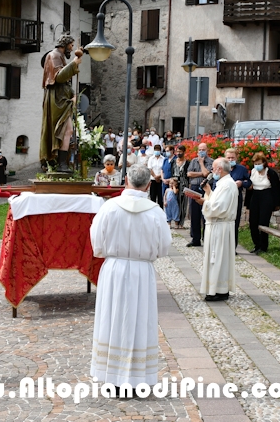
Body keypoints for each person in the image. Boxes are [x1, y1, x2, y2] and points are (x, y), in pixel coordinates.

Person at [90, 164, 171, 391]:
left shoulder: (109, 208)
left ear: (125, 180)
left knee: (112, 317)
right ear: (148, 184)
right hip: (141, 272)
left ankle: (110, 375)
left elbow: (96, 243)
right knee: (138, 319)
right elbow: (164, 247)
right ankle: (137, 378)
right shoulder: (155, 211)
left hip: (114, 269)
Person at [194, 158, 237, 302]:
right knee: (216, 258)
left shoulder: (227, 185)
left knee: (218, 258)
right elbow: (216, 202)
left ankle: (219, 290)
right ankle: (217, 289)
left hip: (221, 226)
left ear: (220, 169)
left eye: (213, 168)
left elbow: (218, 208)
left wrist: (203, 202)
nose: (212, 171)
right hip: (217, 225)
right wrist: (208, 192)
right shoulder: (223, 184)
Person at [40, 33, 82, 171]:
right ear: (65, 44)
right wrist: (74, 63)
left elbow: (65, 83)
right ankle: (60, 163)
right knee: (63, 130)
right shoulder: (54, 55)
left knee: (67, 130)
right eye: (71, 45)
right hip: (56, 99)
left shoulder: (60, 56)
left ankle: (62, 163)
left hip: (62, 98)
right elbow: (59, 77)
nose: (71, 48)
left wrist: (73, 95)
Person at [246, 152, 280, 254]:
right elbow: (249, 187)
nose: (257, 165)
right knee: (253, 222)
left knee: (263, 222)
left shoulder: (270, 173)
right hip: (255, 195)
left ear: (264, 163)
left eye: (259, 163)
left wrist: (277, 204)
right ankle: (256, 244)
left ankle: (263, 246)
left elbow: (277, 189)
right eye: (255, 163)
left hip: (266, 196)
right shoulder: (252, 172)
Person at [186, 143, 214, 247]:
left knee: (205, 214)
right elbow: (189, 174)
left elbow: (207, 174)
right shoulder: (193, 161)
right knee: (194, 214)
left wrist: (202, 164)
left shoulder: (211, 162)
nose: (201, 151)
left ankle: (206, 238)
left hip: (205, 188)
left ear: (207, 150)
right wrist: (201, 173)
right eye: (199, 149)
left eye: (203, 149)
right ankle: (195, 238)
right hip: (194, 188)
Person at [224, 148, 252, 249]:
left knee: (234, 223)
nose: (230, 159)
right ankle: (223, 246)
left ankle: (232, 247)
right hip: (223, 199)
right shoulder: (221, 168)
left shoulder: (242, 169)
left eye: (233, 157)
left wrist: (242, 183)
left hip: (236, 199)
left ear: (237, 158)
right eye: (228, 158)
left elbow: (249, 183)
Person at [172, 146, 190, 229]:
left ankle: (181, 222)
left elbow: (188, 175)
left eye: (180, 151)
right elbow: (171, 172)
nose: (178, 153)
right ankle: (175, 221)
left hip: (184, 183)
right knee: (174, 202)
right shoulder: (173, 162)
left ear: (184, 152)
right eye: (177, 151)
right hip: (174, 182)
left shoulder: (187, 163)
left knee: (183, 203)